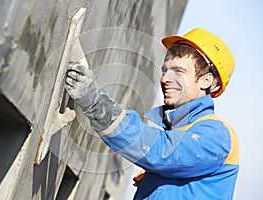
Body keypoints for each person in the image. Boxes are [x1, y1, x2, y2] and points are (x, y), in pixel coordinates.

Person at [65, 28, 239, 199]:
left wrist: (96, 104)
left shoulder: (218, 135)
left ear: (206, 80)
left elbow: (160, 152)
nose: (165, 79)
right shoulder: (178, 135)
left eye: (178, 71)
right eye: (165, 71)